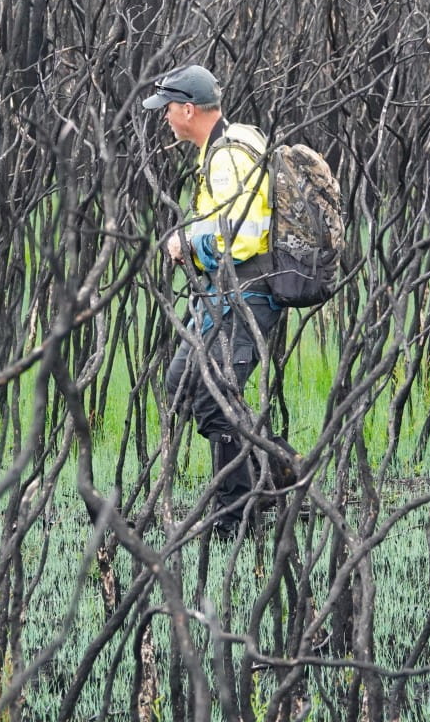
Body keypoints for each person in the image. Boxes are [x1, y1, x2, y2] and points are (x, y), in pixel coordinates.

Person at [143, 64, 286, 536]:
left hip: (245, 295)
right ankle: (278, 473)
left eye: (167, 109)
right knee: (186, 382)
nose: (164, 117)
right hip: (225, 295)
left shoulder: (227, 156)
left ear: (188, 108)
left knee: (211, 393)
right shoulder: (233, 142)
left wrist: (190, 245)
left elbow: (242, 236)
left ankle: (235, 515)